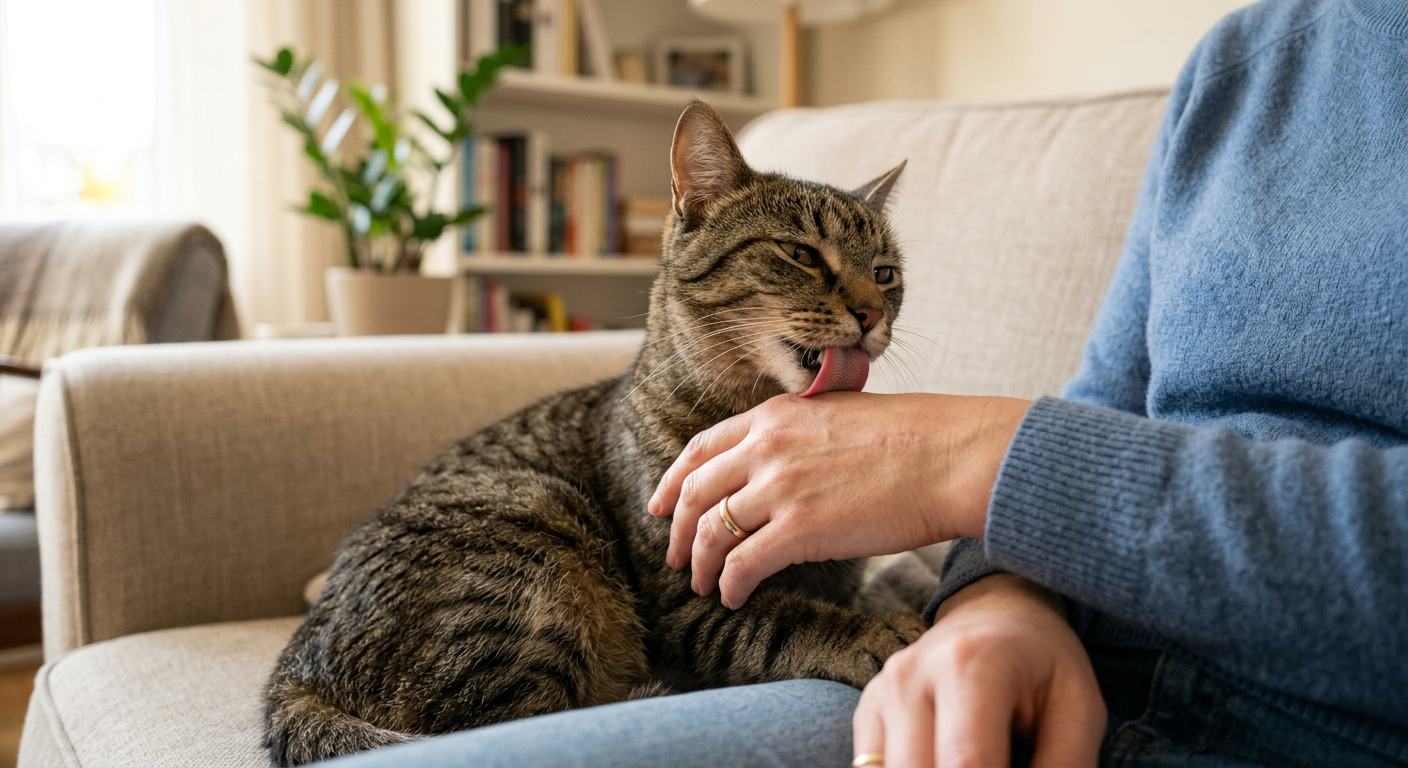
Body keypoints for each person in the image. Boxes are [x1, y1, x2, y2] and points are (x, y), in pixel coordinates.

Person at [323, 0, 1406, 765]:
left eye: (875, 277)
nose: (858, 305)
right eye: (807, 265)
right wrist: (1002, 600)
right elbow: (1102, 399)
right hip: (1020, 678)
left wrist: (966, 460)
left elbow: (1031, 457)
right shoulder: (1242, 64)